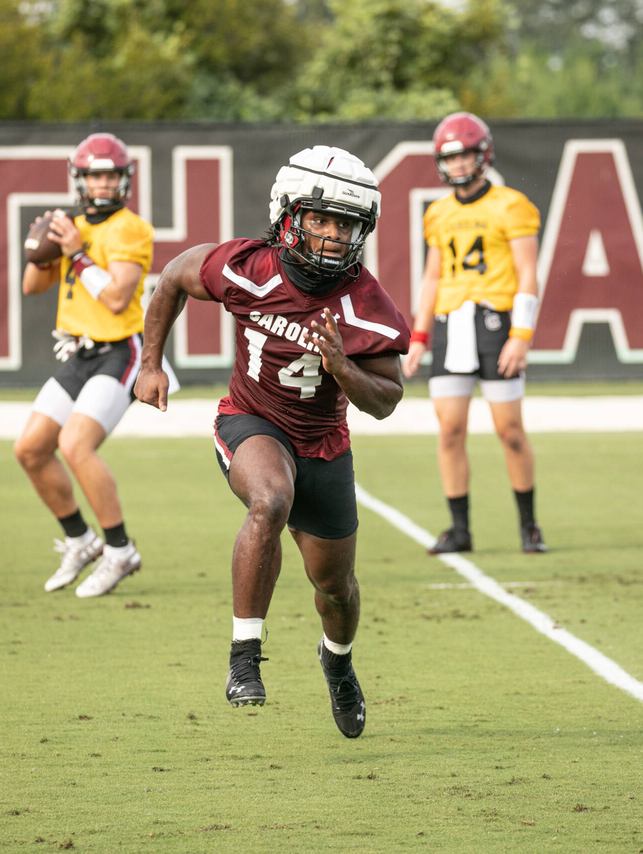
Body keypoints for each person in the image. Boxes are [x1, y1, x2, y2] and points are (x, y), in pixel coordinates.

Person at [134, 145, 409, 739]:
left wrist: (342, 367)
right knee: (270, 498)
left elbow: (387, 400)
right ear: (289, 216)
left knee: (335, 588)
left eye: (347, 224)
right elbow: (175, 275)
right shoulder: (248, 267)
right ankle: (243, 656)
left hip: (325, 444)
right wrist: (149, 363)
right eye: (321, 219)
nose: (335, 235)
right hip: (251, 419)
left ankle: (337, 662)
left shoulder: (366, 305)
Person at [14, 132, 166, 596]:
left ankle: (120, 550)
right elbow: (31, 287)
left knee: (76, 444)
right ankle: (82, 541)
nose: (102, 183)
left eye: (110, 175)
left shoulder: (129, 228)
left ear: (124, 180)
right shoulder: (71, 223)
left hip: (122, 350)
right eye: (94, 175)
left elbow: (119, 299)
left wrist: (77, 253)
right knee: (31, 449)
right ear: (79, 179)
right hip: (79, 351)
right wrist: (41, 251)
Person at [401, 112, 546, 555]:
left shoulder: (511, 204)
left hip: (495, 323)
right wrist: (419, 336)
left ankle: (529, 525)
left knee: (511, 431)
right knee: (450, 431)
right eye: (451, 157)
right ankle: (459, 529)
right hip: (450, 326)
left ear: (482, 155)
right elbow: (432, 278)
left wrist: (521, 334)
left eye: (465, 155)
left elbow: (528, 273)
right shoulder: (439, 213)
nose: (459, 164)